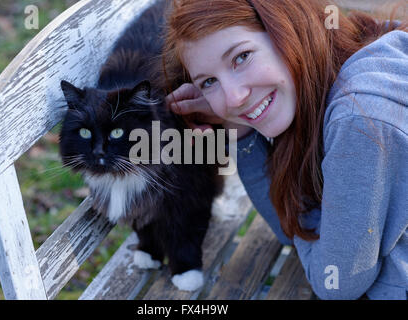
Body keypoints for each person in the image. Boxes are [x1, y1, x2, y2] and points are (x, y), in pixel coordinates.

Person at [162, 0, 407, 299]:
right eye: (209, 82)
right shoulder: (338, 67)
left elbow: (336, 283)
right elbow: (295, 229)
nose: (234, 98)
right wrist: (238, 129)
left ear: (287, 27)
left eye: (241, 57)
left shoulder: (359, 118)